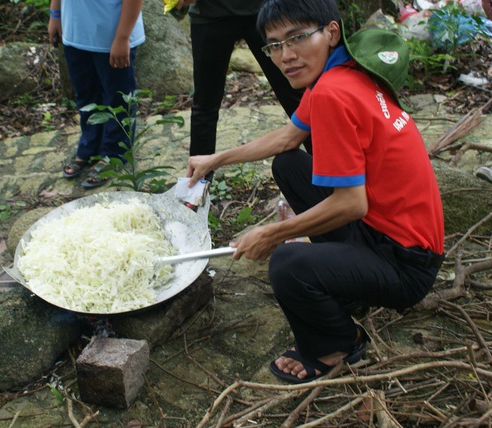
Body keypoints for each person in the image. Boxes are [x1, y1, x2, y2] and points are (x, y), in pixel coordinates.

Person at [186, 0, 445, 384]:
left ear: (331, 32)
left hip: (406, 264)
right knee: (289, 163)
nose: (285, 56)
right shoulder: (342, 71)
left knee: (288, 264)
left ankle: (339, 343)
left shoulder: (331, 95)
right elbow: (289, 136)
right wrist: (215, 159)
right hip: (390, 235)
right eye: (273, 45)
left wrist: (271, 234)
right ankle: (347, 288)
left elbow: (351, 204)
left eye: (297, 38)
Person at [173, 0, 308, 163]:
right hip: (211, 16)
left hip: (264, 12)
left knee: (295, 95)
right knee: (204, 105)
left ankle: (330, 170)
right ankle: (197, 183)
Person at [48, 0, 145, 189]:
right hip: (75, 32)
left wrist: (123, 37)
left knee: (118, 100)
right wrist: (55, 15)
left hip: (113, 36)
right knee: (86, 96)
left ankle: (114, 154)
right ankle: (90, 147)